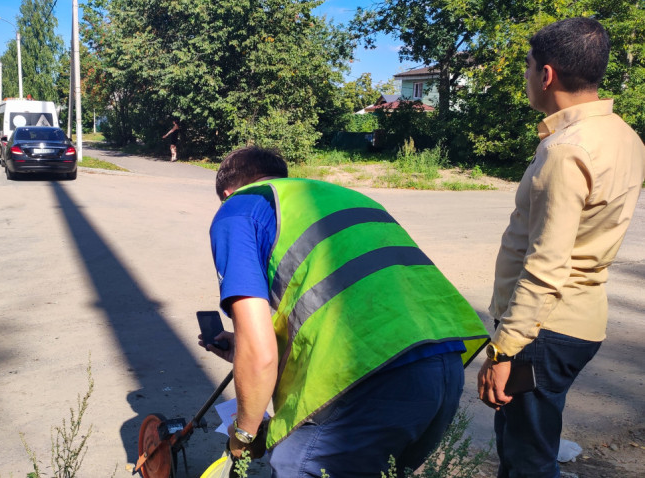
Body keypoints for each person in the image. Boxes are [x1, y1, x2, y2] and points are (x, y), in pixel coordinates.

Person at [200, 146, 489, 477]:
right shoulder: (338, 196)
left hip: (368, 378)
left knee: (298, 465)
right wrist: (243, 348)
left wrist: (243, 435)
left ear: (227, 193)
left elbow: (259, 354)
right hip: (442, 366)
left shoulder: (238, 209)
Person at [477, 17, 645, 478]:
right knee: (525, 448)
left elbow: (546, 264)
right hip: (580, 320)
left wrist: (503, 352)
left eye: (528, 66)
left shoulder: (566, 150)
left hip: (542, 330)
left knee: (527, 459)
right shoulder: (625, 136)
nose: (527, 76)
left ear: (546, 74)